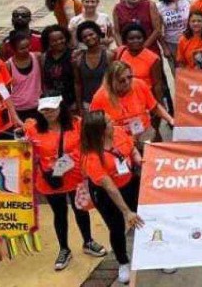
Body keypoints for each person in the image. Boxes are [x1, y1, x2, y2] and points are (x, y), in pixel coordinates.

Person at [25, 96, 107, 271]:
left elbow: (85, 146)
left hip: (75, 176)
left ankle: (88, 241)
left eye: (53, 109)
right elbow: (28, 153)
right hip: (49, 180)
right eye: (45, 110)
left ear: (61, 107)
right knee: (59, 213)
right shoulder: (32, 129)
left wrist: (67, 162)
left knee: (80, 210)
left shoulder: (77, 123)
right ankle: (64, 249)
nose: (49, 113)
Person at [80, 110, 143, 285]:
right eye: (108, 121)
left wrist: (139, 159)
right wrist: (127, 212)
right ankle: (123, 262)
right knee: (116, 228)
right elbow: (110, 187)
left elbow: (131, 148)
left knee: (146, 219)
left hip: (130, 183)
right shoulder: (91, 157)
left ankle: (154, 255)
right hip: (106, 195)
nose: (113, 122)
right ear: (100, 130)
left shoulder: (119, 131)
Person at [89, 62, 174, 147]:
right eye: (122, 80)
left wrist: (170, 119)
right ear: (111, 82)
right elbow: (94, 126)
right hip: (118, 141)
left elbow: (154, 106)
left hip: (144, 133)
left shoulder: (139, 84)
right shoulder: (99, 98)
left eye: (129, 77)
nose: (127, 82)